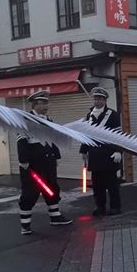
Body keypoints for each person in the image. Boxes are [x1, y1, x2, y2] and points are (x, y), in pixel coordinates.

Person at [17, 91, 72, 235]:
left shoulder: (48, 120)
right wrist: (24, 161)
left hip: (48, 162)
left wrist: (56, 157)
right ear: (35, 105)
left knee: (52, 188)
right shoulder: (25, 120)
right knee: (30, 192)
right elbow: (21, 141)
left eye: (47, 103)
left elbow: (53, 140)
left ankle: (55, 217)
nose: (46, 106)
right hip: (33, 164)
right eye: (42, 103)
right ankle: (25, 224)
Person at [79, 87, 122, 216]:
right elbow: (87, 135)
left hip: (109, 154)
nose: (97, 101)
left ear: (105, 100)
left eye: (100, 99)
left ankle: (115, 207)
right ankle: (100, 206)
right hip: (95, 156)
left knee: (112, 184)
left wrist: (118, 151)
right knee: (97, 185)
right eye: (95, 98)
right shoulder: (89, 116)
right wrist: (84, 151)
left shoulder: (112, 115)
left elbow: (118, 135)